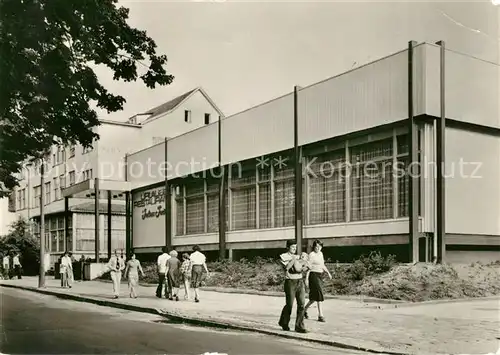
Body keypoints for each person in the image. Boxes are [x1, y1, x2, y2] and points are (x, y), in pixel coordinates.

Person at [278, 240, 307, 333]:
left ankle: (299, 326)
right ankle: (284, 322)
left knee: (302, 304)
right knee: (289, 304)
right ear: (288, 247)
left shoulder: (299, 256)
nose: (294, 249)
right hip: (290, 282)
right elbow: (287, 267)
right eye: (292, 247)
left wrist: (304, 265)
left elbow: (304, 266)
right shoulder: (283, 256)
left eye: (295, 247)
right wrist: (294, 259)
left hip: (300, 281)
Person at [304, 240, 332, 322]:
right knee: (319, 293)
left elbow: (322, 265)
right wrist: (306, 279)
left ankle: (304, 310)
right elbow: (308, 267)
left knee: (313, 298)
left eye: (320, 246)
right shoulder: (311, 255)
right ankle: (320, 315)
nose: (318, 248)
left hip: (319, 275)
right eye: (316, 246)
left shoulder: (321, 254)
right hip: (313, 275)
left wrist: (328, 273)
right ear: (314, 247)